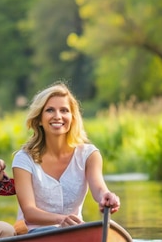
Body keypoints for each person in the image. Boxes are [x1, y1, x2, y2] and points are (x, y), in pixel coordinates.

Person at [12, 82, 120, 234]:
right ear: (39, 119)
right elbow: (29, 212)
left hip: (75, 232)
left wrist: (107, 196)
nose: (58, 116)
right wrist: (61, 219)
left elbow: (99, 189)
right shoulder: (23, 159)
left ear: (72, 117)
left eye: (64, 110)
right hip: (35, 234)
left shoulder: (89, 155)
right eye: (50, 110)